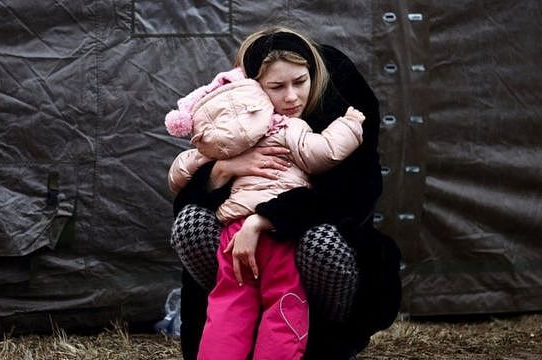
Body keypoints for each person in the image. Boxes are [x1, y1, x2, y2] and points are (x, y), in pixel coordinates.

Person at [169, 26, 402, 360]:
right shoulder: (240, 121)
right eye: (277, 87)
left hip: (304, 236)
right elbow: (183, 186)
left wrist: (265, 218)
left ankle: (326, 346)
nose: (291, 96)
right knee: (193, 228)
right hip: (237, 241)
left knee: (317, 251)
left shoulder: (325, 110)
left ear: (313, 76)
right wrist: (223, 170)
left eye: (300, 83)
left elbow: (354, 195)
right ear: (254, 88)